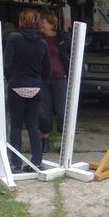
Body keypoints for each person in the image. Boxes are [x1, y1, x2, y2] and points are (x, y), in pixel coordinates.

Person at [3, 9, 51, 172]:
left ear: (21, 21)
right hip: (35, 86)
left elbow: (7, 62)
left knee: (15, 126)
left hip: (16, 85)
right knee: (32, 125)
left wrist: (10, 78)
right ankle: (36, 161)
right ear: (37, 22)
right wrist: (38, 80)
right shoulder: (42, 43)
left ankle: (16, 163)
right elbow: (47, 69)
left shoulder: (14, 38)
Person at [38, 10, 72, 153]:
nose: (41, 25)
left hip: (61, 78)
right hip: (43, 79)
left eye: (43, 23)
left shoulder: (62, 38)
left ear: (52, 24)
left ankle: (63, 143)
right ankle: (44, 140)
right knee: (43, 112)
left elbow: (71, 54)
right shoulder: (39, 39)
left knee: (62, 110)